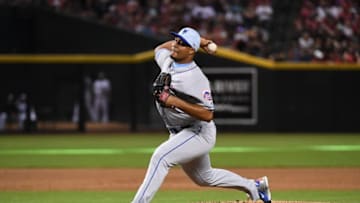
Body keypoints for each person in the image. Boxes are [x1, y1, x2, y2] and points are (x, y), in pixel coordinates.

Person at [131, 27, 272, 203]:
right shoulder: (168, 61)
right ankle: (255, 187)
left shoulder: (196, 78)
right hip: (179, 132)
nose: (176, 45)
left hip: (198, 131)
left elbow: (207, 114)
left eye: (182, 44)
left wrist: (174, 101)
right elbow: (159, 49)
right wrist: (203, 41)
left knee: (161, 157)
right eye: (176, 40)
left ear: (191, 50)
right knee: (205, 177)